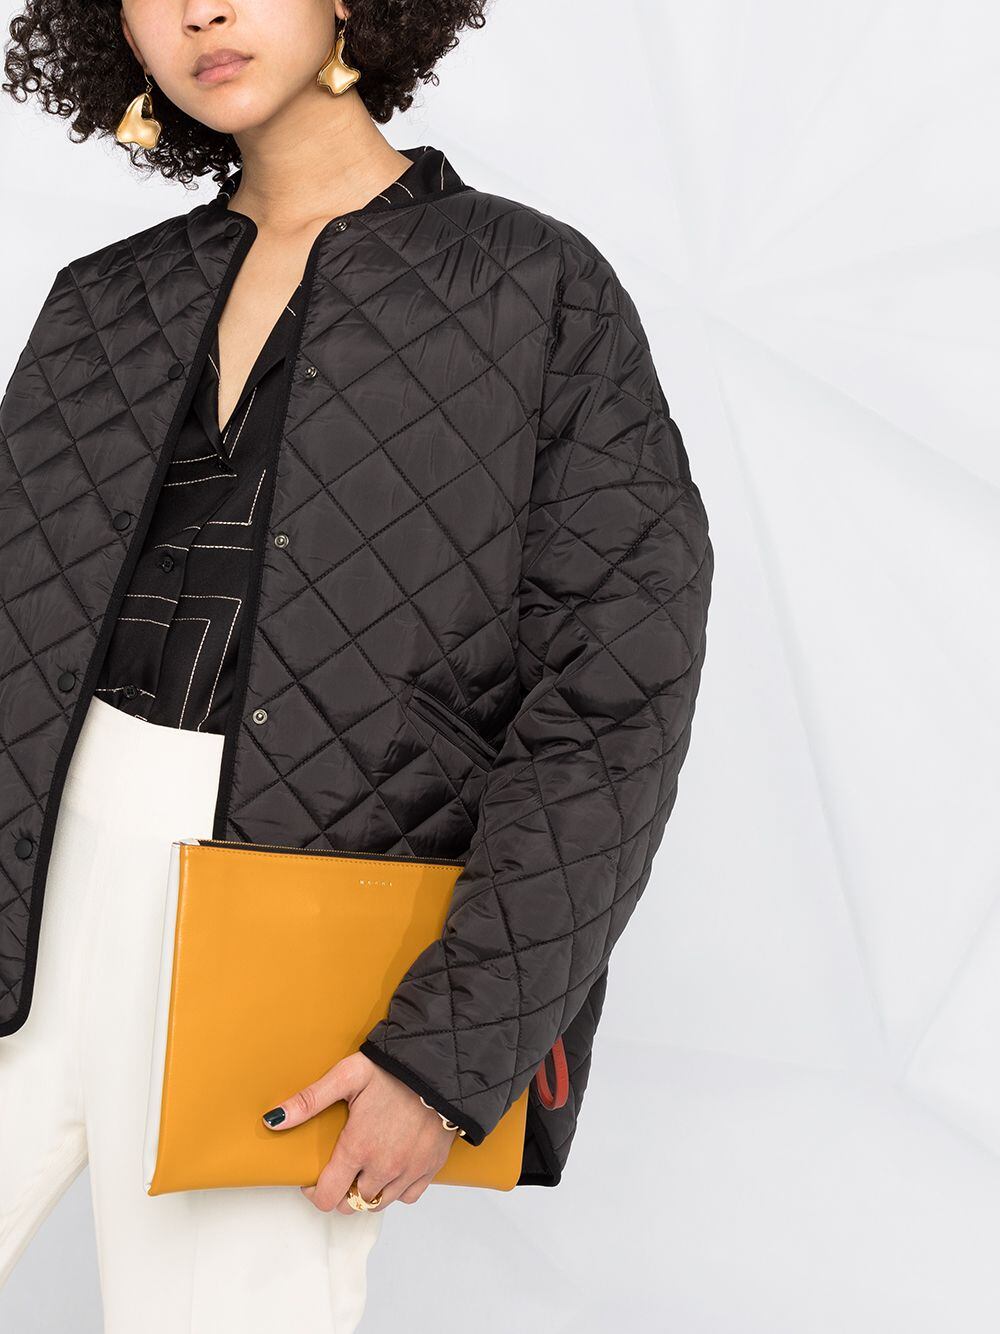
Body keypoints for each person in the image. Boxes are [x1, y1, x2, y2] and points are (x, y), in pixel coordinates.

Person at [0, 0, 714, 1329]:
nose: (202, 10)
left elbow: (614, 705)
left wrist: (444, 1054)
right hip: (29, 884)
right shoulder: (104, 301)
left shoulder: (535, 289)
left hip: (296, 938)